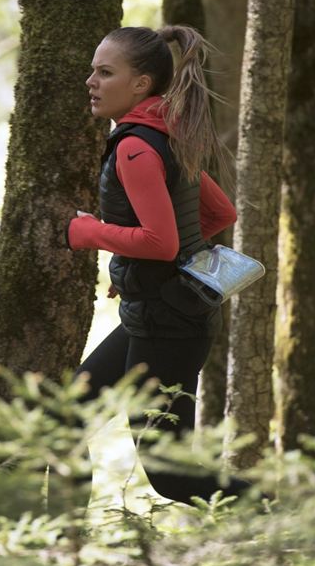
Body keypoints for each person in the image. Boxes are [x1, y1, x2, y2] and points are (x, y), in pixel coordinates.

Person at [64, 25, 251, 506]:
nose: (91, 81)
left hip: (167, 327)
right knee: (62, 422)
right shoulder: (169, 133)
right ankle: (63, 548)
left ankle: (312, 519)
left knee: (173, 476)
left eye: (105, 73)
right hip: (163, 314)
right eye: (93, 71)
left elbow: (161, 242)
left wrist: (88, 232)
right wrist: (135, 266)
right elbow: (218, 215)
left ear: (141, 84)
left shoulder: (135, 145)